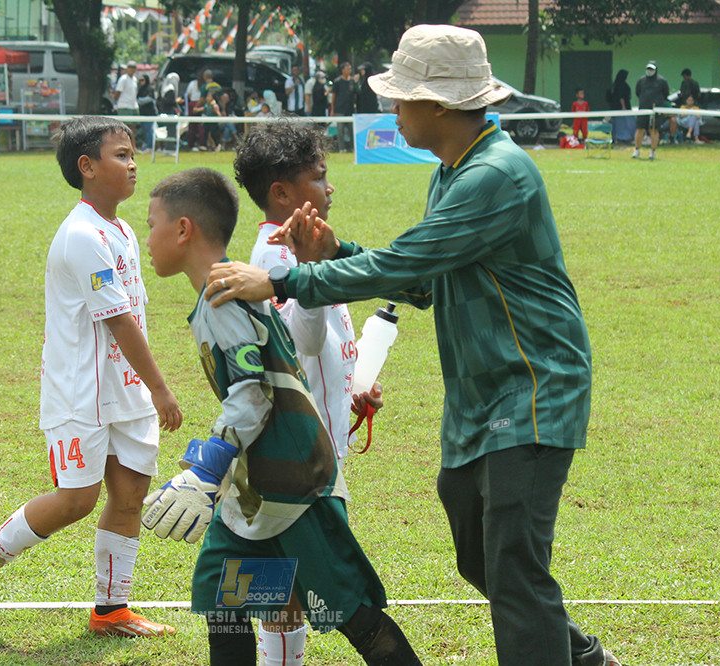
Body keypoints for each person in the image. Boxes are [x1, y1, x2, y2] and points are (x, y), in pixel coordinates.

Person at [205, 24, 623, 666]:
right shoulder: (452, 173)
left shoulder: (497, 174)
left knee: (510, 566)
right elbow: (424, 279)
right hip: (480, 398)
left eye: (402, 96)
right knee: (478, 553)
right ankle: (586, 659)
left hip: (533, 388)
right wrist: (335, 253)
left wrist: (285, 277)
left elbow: (407, 262)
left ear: (439, 104)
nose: (392, 108)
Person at [140, 167, 422, 666]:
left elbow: (254, 394)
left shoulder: (223, 297)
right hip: (255, 490)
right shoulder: (225, 290)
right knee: (223, 596)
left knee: (350, 609)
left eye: (151, 224)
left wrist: (206, 467)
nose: (147, 238)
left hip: (295, 486)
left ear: (183, 230)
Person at [0, 116, 183, 637]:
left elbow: (130, 315)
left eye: (131, 153)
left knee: (128, 496)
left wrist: (143, 388)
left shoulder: (121, 229)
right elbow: (120, 321)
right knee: (77, 500)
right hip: (81, 392)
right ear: (87, 167)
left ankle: (111, 610)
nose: (133, 164)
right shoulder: (82, 234)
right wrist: (161, 388)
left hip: (124, 391)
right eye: (121, 155)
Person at [236, 119, 385, 666]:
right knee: (299, 593)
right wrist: (311, 275)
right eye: (319, 178)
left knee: (291, 590)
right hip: (296, 458)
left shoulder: (301, 249)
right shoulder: (276, 259)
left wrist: (353, 386)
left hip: (312, 446)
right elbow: (297, 343)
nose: (330, 188)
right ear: (282, 193)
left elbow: (319, 350)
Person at [633, 60, 669, 160]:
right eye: (648, 69)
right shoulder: (641, 80)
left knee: (654, 130)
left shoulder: (662, 81)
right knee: (640, 129)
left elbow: (666, 93)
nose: (649, 71)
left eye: (651, 69)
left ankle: (652, 152)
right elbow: (637, 92)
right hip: (643, 109)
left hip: (656, 110)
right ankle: (636, 150)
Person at [331, 62, 356, 151]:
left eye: (350, 69)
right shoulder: (337, 81)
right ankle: (341, 149)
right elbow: (333, 96)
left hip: (350, 109)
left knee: (351, 130)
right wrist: (332, 109)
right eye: (348, 69)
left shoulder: (352, 81)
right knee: (340, 131)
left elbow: (355, 95)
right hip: (339, 109)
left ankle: (352, 148)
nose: (350, 70)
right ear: (343, 70)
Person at [114, 61, 139, 146]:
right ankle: (122, 146)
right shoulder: (123, 79)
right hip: (124, 105)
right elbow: (117, 93)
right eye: (130, 67)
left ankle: (133, 147)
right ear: (127, 69)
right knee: (124, 128)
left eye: (133, 67)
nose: (131, 69)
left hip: (133, 106)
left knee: (132, 128)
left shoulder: (135, 79)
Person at [606, 69, 634, 143]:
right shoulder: (622, 85)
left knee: (615, 124)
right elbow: (621, 97)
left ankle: (615, 137)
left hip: (614, 108)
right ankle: (623, 137)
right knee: (622, 124)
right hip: (621, 108)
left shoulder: (614, 85)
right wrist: (623, 107)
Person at [137, 74, 157, 151]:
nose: (141, 82)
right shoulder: (140, 89)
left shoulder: (150, 89)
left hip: (150, 113)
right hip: (142, 113)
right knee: (145, 130)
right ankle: (147, 145)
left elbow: (150, 98)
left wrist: (139, 101)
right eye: (140, 80)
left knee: (149, 130)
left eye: (142, 80)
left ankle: (150, 147)